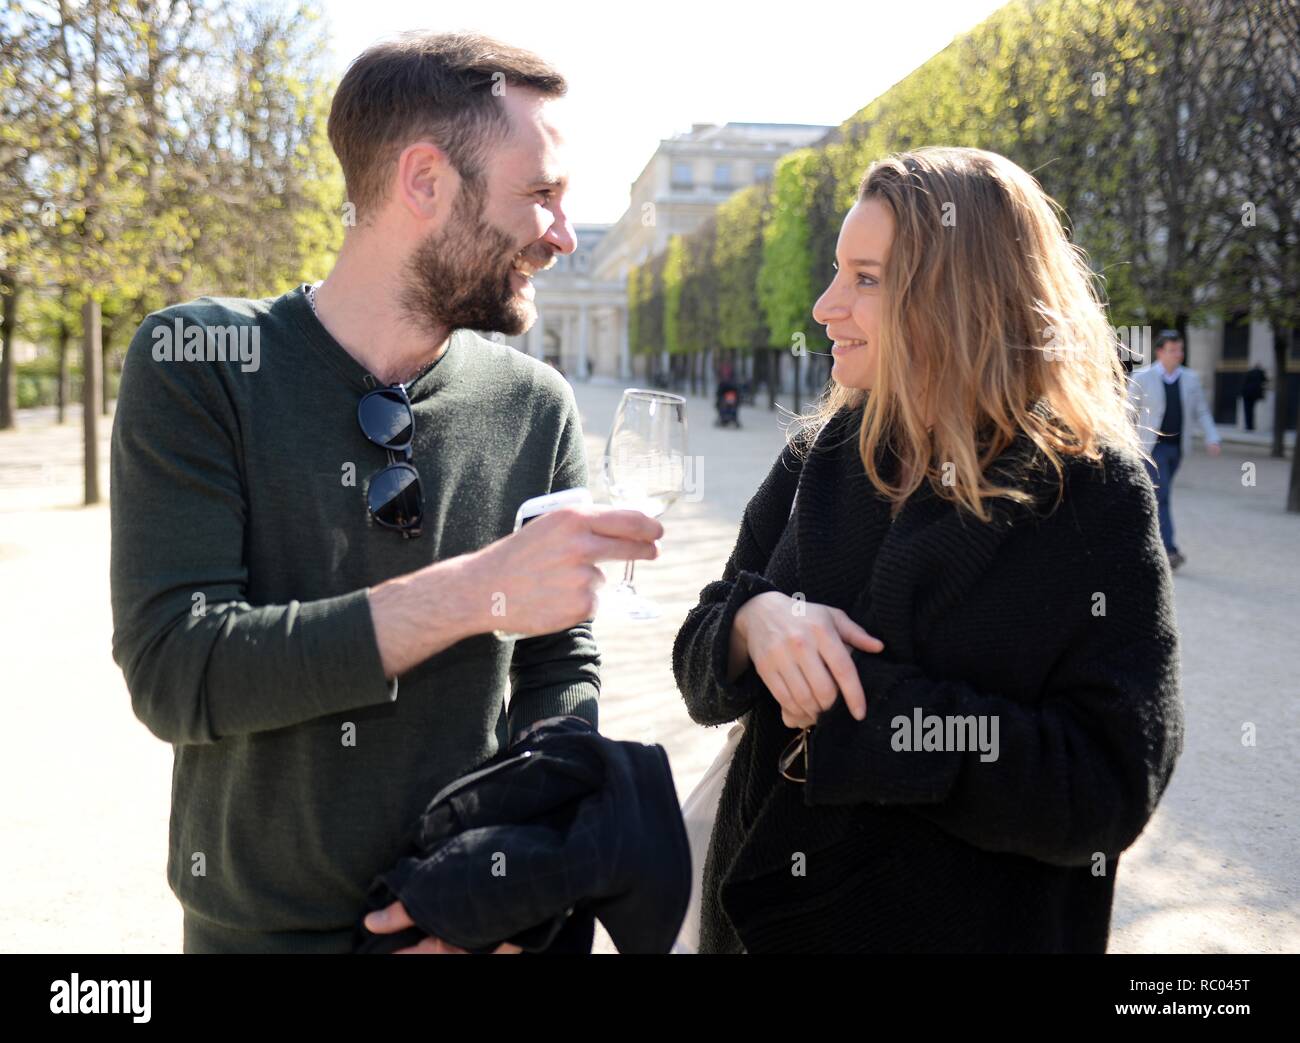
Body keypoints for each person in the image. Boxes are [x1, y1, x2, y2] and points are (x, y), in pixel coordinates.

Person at [109, 31, 662, 954]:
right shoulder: (197, 363)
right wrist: (473, 592)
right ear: (424, 181)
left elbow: (558, 676)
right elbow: (180, 669)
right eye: (541, 195)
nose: (563, 235)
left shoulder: (536, 404)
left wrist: (509, 889)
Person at [673, 146, 1184, 954]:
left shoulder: (1088, 492)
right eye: (838, 272)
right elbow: (701, 654)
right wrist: (754, 623)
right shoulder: (820, 455)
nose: (824, 304)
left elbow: (1108, 784)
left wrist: (868, 713)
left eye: (866, 278)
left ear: (962, 296)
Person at [1127, 330, 1222, 569]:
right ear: (1160, 352)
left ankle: (1140, 540)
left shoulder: (1190, 379)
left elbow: (1201, 411)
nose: (1178, 354)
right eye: (1172, 350)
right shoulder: (1142, 377)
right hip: (1151, 448)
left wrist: (1212, 437)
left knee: (1158, 495)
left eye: (1180, 349)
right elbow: (1127, 412)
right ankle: (1169, 549)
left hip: (1177, 448)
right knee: (1162, 495)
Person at [1241, 364, 1268, 432]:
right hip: (1253, 395)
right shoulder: (1260, 372)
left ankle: (1248, 426)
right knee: (1251, 410)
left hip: (1247, 394)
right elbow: (1265, 380)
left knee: (1247, 411)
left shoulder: (1249, 372)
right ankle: (1250, 426)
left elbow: (1244, 382)